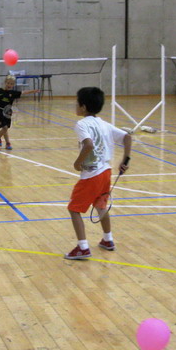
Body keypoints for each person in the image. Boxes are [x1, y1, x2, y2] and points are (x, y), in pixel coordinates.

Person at [64, 87, 132, 259]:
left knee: (74, 209)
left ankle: (83, 247)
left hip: (91, 176)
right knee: (101, 206)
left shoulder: (81, 124)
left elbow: (88, 145)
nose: (75, 105)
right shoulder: (104, 124)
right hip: (106, 173)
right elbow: (127, 137)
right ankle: (108, 240)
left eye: (77, 102)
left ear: (84, 107)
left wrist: (77, 163)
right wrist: (125, 161)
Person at [0, 75, 37, 151]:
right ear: (5, 82)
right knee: (4, 127)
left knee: (6, 128)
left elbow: (24, 92)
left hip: (8, 112)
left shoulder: (13, 93)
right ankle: (7, 142)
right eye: (8, 83)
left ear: (13, 85)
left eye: (11, 84)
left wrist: (33, 91)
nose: (9, 85)